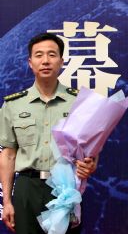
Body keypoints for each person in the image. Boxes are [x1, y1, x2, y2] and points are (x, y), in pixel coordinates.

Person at [0, 33, 97, 234]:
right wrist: (7, 201)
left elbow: (90, 153)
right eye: (39, 55)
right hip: (27, 189)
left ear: (61, 61)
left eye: (52, 55)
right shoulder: (13, 105)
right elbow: (8, 155)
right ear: (30, 62)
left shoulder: (79, 103)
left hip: (65, 188)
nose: (45, 61)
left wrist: (90, 165)